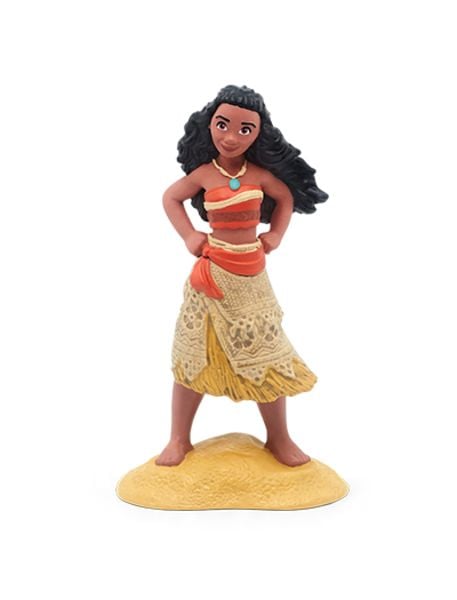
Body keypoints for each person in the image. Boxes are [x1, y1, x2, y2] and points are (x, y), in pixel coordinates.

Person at [155, 85, 328, 468]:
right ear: (209, 125)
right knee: (193, 354)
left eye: (244, 129)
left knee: (267, 356)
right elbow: (171, 197)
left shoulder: (260, 175)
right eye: (223, 125)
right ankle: (178, 438)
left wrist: (276, 234)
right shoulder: (204, 174)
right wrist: (190, 235)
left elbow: (285, 198)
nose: (231, 137)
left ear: (259, 133)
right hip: (211, 274)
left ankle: (279, 438)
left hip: (251, 276)